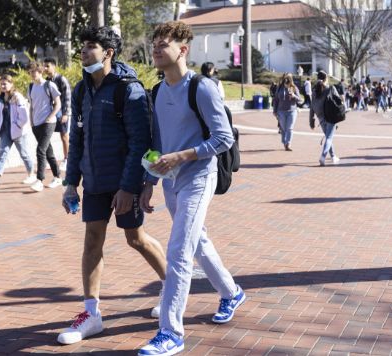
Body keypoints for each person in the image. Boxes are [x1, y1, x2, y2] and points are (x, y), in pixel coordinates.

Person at [138, 21, 245, 356]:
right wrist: (150, 181)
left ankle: (171, 332)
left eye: (163, 43)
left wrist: (182, 156)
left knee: (179, 251)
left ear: (182, 50)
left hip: (199, 177)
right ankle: (231, 293)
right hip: (170, 181)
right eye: (154, 42)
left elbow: (223, 137)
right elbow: (157, 140)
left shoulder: (201, 87)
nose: (156, 48)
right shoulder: (156, 91)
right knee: (197, 242)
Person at [57, 26, 167, 345]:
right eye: (82, 47)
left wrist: (130, 187)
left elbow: (140, 143)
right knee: (92, 240)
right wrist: (70, 184)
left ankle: (173, 288)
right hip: (93, 182)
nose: (83, 52)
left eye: (90, 47)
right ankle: (91, 314)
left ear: (108, 53)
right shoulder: (81, 90)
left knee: (136, 239)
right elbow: (77, 139)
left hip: (123, 182)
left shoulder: (128, 90)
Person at [0, 75, 35, 188]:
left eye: (5, 83)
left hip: (18, 131)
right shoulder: (0, 98)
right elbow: (0, 116)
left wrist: (18, 125)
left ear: (11, 84)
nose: (2, 86)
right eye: (1, 84)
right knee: (2, 153)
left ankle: (31, 174)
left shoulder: (17, 97)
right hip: (5, 131)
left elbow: (24, 116)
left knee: (24, 154)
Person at [26, 61, 62, 192]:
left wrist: (50, 117)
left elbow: (58, 104)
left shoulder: (49, 85)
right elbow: (31, 106)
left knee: (40, 150)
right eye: (30, 72)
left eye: (33, 72)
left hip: (48, 123)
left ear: (40, 71)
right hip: (36, 124)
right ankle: (58, 177)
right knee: (48, 152)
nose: (31, 74)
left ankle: (39, 180)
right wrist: (31, 121)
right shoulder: (30, 87)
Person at [43, 58, 72, 172]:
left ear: (54, 66)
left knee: (64, 136)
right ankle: (47, 160)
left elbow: (68, 97)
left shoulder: (61, 79)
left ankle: (67, 159)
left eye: (47, 66)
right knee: (45, 136)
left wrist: (66, 114)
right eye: (44, 66)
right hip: (50, 113)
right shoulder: (45, 82)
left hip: (62, 113)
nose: (45, 68)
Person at [309, 71, 340, 167]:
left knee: (328, 137)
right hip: (330, 115)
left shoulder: (314, 90)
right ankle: (323, 156)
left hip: (320, 116)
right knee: (329, 137)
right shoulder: (330, 88)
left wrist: (311, 121)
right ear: (326, 78)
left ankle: (333, 156)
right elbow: (338, 100)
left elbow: (312, 106)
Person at [272, 72, 301, 151]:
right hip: (281, 111)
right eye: (285, 78)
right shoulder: (279, 88)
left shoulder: (294, 88)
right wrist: (274, 110)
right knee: (283, 128)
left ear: (291, 79)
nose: (286, 80)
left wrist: (294, 96)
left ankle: (288, 143)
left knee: (290, 128)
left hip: (292, 111)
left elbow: (300, 100)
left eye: (288, 78)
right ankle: (284, 142)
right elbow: (276, 100)